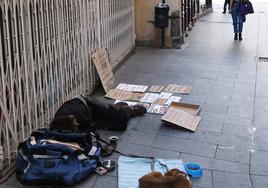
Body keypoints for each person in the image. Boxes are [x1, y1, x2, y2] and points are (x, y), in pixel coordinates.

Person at [50, 95, 147, 132]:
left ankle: (129, 109)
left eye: (76, 123)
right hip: (89, 115)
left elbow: (88, 129)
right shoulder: (59, 123)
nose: (76, 124)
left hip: (88, 102)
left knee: (121, 117)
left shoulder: (79, 118)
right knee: (121, 126)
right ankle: (117, 108)